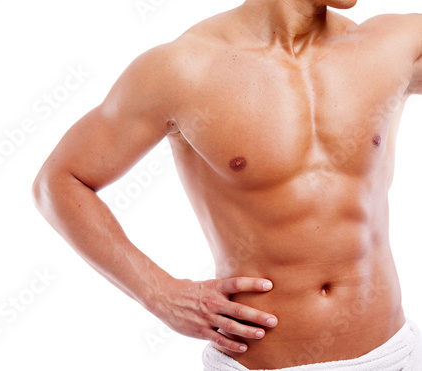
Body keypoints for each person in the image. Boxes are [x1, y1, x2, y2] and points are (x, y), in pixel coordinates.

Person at [32, 0, 422, 369]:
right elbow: (60, 182)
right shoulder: (184, 68)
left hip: (394, 356)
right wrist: (159, 294)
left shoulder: (394, 45)